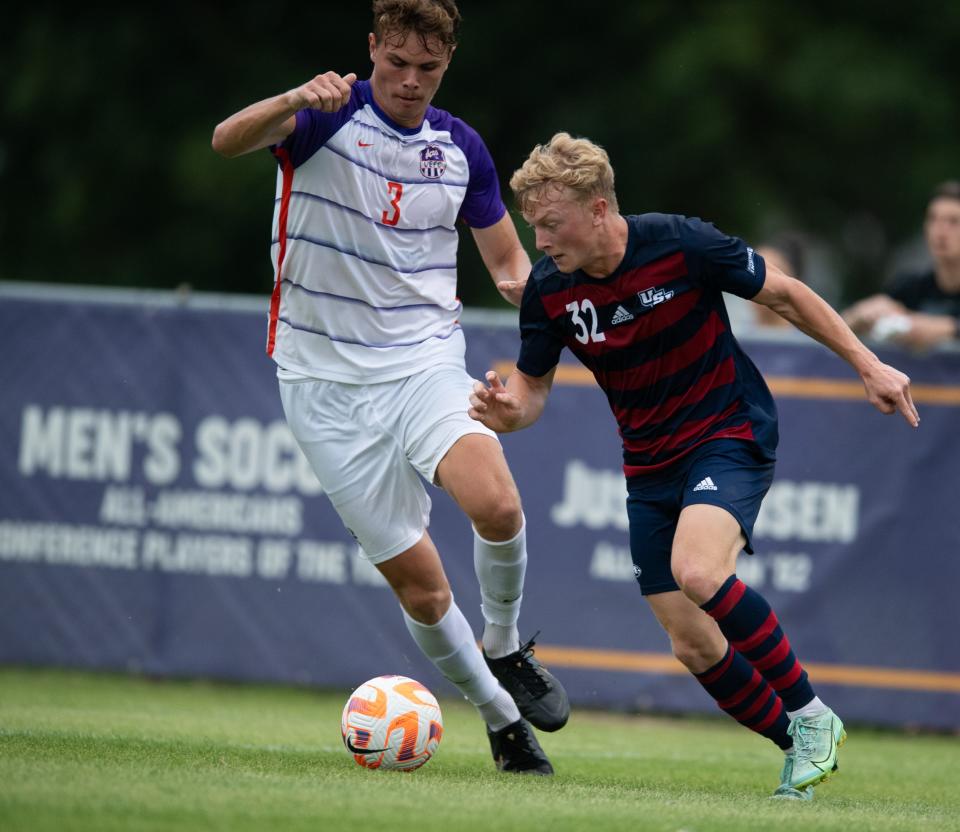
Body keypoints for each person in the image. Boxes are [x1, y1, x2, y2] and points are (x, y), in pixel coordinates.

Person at [468, 133, 919, 798]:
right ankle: (799, 745)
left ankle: (814, 716)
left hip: (727, 430)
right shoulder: (550, 291)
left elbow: (787, 296)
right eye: (534, 226)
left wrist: (869, 363)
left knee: (700, 571)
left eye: (551, 224)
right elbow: (532, 390)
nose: (540, 242)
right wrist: (509, 410)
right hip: (648, 465)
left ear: (598, 210)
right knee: (693, 644)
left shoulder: (681, 243)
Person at [211, 0, 567, 775]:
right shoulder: (323, 117)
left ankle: (505, 646)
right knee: (423, 590)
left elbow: (509, 270)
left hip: (422, 363)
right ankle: (503, 721)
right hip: (320, 382)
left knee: (498, 504)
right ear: (371, 50)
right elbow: (225, 140)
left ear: (446, 67)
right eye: (395, 64)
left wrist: (563, 296)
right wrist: (293, 100)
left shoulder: (460, 146)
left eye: (427, 70)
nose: (409, 82)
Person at [844, 181, 960, 350]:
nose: (940, 231)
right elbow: (845, 324)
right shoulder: (910, 286)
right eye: (933, 219)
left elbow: (924, 329)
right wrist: (862, 315)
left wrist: (912, 322)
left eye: (953, 221)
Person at [752, 234, 807, 329]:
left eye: (771, 275)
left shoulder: (811, 342)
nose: (760, 281)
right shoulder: (731, 336)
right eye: (754, 271)